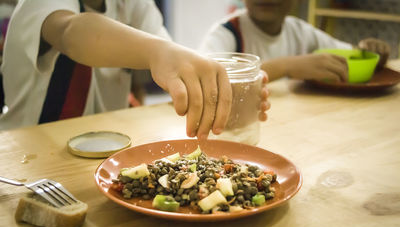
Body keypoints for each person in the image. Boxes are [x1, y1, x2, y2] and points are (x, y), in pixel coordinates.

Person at [0, 0, 270, 139]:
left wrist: (226, 94)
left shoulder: (133, 4)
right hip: (28, 156)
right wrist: (156, 51)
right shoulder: (39, 3)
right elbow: (70, 32)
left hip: (102, 151)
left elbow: (173, 63)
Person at [199, 0, 391, 83]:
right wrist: (286, 67)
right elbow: (205, 82)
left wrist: (372, 53)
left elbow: (353, 55)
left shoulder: (300, 31)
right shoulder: (227, 33)